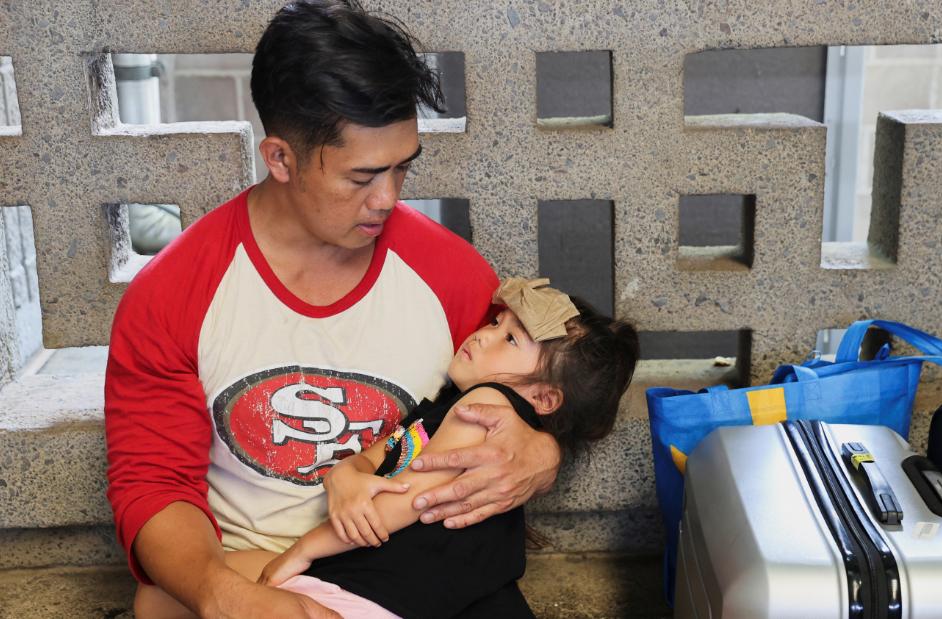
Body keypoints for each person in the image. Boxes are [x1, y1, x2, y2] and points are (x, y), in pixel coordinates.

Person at [104, 2, 562, 617]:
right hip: (255, 571)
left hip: (412, 569)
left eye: (403, 168)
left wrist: (543, 452)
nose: (389, 199)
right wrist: (222, 596)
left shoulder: (453, 276)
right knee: (159, 603)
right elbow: (153, 483)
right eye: (362, 176)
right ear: (280, 159)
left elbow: (528, 386)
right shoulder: (173, 292)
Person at [249, 279, 640, 618]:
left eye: (510, 339)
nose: (484, 334)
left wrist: (304, 550)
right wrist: (350, 473)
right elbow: (382, 453)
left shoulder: (487, 405)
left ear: (544, 397)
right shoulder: (448, 404)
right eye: (495, 321)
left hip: (377, 592)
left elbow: (409, 501)